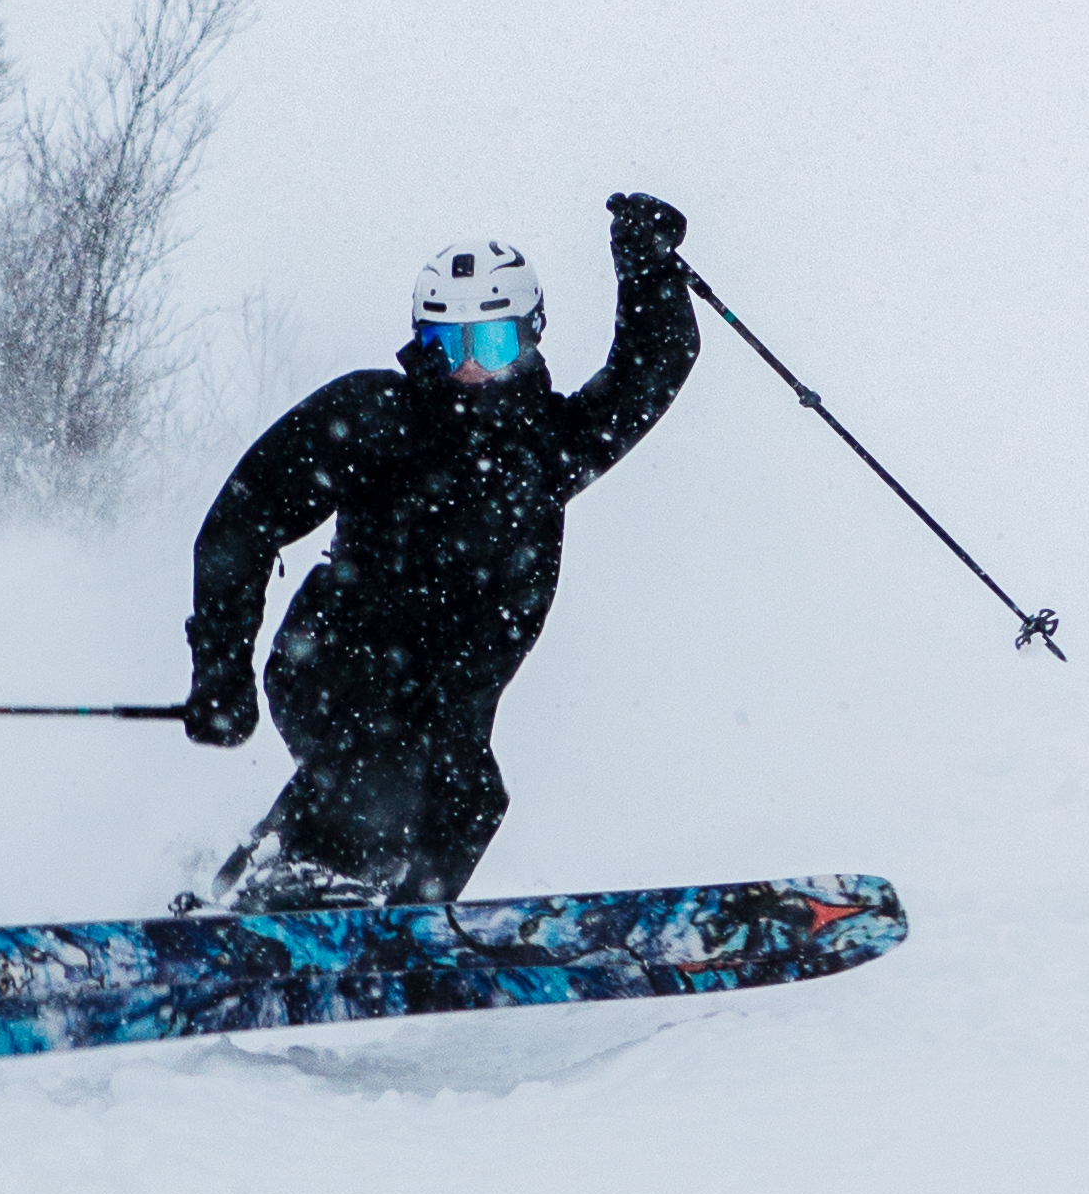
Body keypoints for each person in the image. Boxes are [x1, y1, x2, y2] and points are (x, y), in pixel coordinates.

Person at [178, 195, 700, 902]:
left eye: (493, 345)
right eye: (448, 347)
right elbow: (242, 522)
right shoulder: (376, 416)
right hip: (335, 660)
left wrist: (647, 270)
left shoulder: (547, 448)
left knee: (469, 795)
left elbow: (649, 371)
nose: (472, 371)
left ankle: (396, 931)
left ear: (532, 334)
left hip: (450, 698)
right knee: (389, 752)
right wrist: (220, 669)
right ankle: (287, 887)